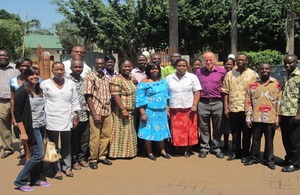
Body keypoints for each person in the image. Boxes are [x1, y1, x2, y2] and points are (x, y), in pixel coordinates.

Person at [40, 62, 80, 180]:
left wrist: (75, 117)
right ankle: (56, 169)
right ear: (52, 70)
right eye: (56, 70)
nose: (59, 72)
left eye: (61, 70)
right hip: (51, 118)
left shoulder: (70, 83)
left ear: (64, 71)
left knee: (67, 144)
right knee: (53, 145)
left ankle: (67, 167)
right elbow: (42, 102)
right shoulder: (45, 84)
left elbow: (75, 101)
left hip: (67, 117)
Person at [13, 67, 51, 192]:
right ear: (26, 76)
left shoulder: (38, 89)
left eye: (36, 74)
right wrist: (23, 133)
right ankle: (20, 180)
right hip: (31, 127)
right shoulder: (22, 91)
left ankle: (35, 179)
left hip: (41, 125)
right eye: (31, 75)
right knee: (38, 154)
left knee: (37, 154)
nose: (34, 76)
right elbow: (17, 113)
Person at [244, 63, 280, 170]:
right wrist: (248, 117)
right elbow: (248, 101)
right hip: (256, 117)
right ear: (259, 70)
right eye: (262, 69)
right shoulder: (252, 84)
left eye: (267, 69)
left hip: (270, 118)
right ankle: (254, 157)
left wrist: (277, 118)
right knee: (255, 139)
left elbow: (279, 102)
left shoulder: (276, 84)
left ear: (270, 70)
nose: (264, 70)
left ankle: (269, 160)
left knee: (269, 140)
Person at [222, 53, 258, 162]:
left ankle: (245, 153)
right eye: (238, 60)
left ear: (247, 61)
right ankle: (235, 152)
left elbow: (257, 92)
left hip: (248, 109)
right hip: (234, 108)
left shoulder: (253, 74)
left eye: (243, 60)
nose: (240, 61)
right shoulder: (229, 74)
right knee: (235, 132)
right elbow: (225, 92)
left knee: (247, 133)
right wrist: (226, 107)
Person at [136, 61, 171, 161]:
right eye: (152, 68)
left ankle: (162, 150)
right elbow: (140, 99)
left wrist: (167, 109)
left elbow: (167, 96)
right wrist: (143, 113)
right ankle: (149, 151)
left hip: (162, 111)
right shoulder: (143, 83)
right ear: (148, 70)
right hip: (149, 111)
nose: (154, 70)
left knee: (162, 130)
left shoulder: (163, 81)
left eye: (156, 68)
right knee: (149, 131)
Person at [166, 59, 201, 157]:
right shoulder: (169, 78)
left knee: (188, 129)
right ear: (176, 66)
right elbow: (166, 94)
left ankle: (187, 149)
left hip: (189, 108)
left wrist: (194, 105)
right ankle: (176, 149)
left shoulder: (192, 77)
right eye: (179, 66)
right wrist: (167, 107)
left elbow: (197, 91)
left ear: (187, 66)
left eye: (184, 66)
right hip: (175, 108)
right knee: (176, 130)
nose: (182, 68)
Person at [196, 52, 226, 159]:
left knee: (218, 127)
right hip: (203, 102)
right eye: (206, 60)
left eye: (210, 60)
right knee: (204, 126)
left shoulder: (222, 71)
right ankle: (204, 147)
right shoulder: (199, 72)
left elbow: (225, 86)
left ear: (214, 60)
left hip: (217, 102)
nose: (208, 62)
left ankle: (216, 147)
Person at [84, 58, 112, 169]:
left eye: (102, 63)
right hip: (96, 110)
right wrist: (94, 113)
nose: (100, 65)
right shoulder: (90, 78)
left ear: (105, 65)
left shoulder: (106, 78)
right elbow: (88, 96)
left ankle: (102, 156)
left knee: (106, 135)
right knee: (95, 136)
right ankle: (93, 159)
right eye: (97, 64)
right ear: (94, 65)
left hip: (107, 110)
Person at [109, 59, 137, 158]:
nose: (127, 68)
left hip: (131, 110)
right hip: (120, 111)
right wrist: (123, 110)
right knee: (119, 132)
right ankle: (116, 154)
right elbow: (116, 96)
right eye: (125, 66)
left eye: (129, 66)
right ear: (120, 67)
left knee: (129, 132)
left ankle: (129, 153)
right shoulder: (116, 79)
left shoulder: (131, 78)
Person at [67, 60, 90, 170]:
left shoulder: (84, 80)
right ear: (71, 68)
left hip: (84, 114)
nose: (77, 69)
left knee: (84, 138)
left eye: (80, 67)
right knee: (73, 140)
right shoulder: (66, 81)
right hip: (73, 116)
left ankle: (82, 158)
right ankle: (73, 160)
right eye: (75, 67)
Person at [280, 54, 300, 172]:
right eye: (285, 63)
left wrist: (299, 114)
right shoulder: (287, 76)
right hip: (284, 112)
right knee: (286, 138)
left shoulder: (298, 76)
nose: (287, 65)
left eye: (290, 63)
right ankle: (289, 158)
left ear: (296, 63)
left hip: (294, 113)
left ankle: (296, 163)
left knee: (295, 140)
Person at [10, 58, 32, 160]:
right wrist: (13, 116)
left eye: (27, 66)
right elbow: (13, 99)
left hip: (32, 113)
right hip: (20, 112)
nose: (24, 68)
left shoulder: (36, 78)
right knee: (23, 135)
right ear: (18, 67)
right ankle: (27, 157)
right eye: (22, 65)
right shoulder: (13, 81)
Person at [0, 49, 19, 159]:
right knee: (4, 126)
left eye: (4, 55)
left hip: (16, 101)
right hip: (1, 101)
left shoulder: (16, 69)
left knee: (19, 124)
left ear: (8, 56)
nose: (2, 57)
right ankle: (8, 148)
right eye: (0, 55)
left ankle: (23, 147)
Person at [221, 58, 235, 152]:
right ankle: (225, 144)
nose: (228, 66)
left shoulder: (236, 75)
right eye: (227, 64)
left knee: (234, 125)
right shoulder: (221, 74)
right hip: (222, 101)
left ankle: (235, 145)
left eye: (231, 64)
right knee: (225, 124)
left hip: (234, 102)